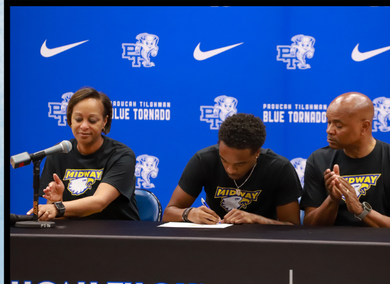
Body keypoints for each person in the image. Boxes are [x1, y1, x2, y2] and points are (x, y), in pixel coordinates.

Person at [301, 92, 390, 228]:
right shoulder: (318, 160)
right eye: (328, 122)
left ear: (364, 127)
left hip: (383, 247)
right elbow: (310, 227)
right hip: (332, 247)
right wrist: (332, 200)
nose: (329, 130)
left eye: (338, 126)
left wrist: (361, 211)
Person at [163, 113, 301, 225]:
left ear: (257, 153)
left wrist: (255, 219)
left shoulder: (279, 168)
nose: (230, 170)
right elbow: (169, 213)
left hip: (262, 244)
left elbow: (292, 226)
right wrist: (189, 214)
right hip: (214, 242)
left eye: (240, 164)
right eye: (224, 160)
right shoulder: (204, 160)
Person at [28, 87, 139, 221]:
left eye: (92, 120)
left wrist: (58, 207)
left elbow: (99, 203)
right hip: (72, 236)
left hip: (117, 235)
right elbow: (55, 218)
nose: (84, 126)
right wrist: (57, 200)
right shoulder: (57, 153)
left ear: (104, 121)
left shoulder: (121, 155)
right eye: (78, 119)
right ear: (70, 119)